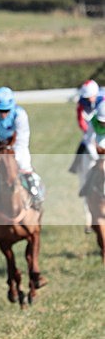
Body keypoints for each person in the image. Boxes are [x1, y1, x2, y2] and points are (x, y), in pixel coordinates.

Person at [0, 86, 44, 216]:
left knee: (26, 168)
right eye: (0, 111)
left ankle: (35, 195)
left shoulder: (20, 115)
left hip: (17, 146)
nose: (3, 114)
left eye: (6, 110)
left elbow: (22, 139)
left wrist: (17, 159)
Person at [71, 80, 104, 229]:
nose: (89, 99)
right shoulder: (81, 105)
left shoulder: (103, 102)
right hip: (91, 139)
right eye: (87, 96)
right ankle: (89, 216)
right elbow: (83, 125)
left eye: (91, 96)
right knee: (82, 156)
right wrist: (96, 156)